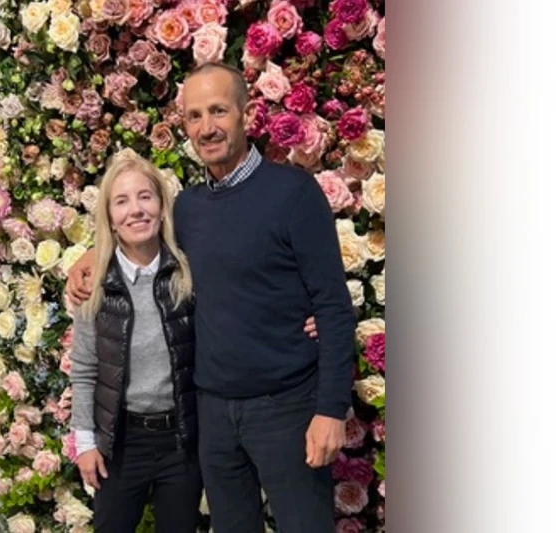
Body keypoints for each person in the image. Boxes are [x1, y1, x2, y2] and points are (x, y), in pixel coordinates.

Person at [68, 62, 356, 533]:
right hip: (212, 414)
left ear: (246, 114)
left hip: (285, 408)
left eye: (218, 111)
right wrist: (86, 259)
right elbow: (136, 234)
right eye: (195, 116)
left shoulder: (293, 193)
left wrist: (329, 409)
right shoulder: (188, 208)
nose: (207, 128)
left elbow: (332, 306)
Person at [68, 153, 202, 533]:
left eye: (145, 197)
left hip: (181, 441)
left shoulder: (187, 275)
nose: (136, 210)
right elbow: (84, 369)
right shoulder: (95, 286)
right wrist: (85, 442)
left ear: (161, 207)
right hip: (122, 443)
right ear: (110, 217)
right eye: (122, 201)